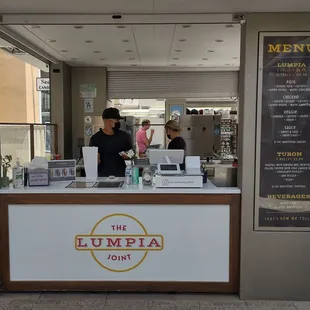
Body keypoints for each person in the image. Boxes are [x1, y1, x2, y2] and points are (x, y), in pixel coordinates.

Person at [89, 107, 132, 177]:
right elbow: (92, 160)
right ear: (109, 121)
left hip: (121, 176)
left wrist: (128, 155)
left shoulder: (124, 136)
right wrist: (95, 160)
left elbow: (131, 151)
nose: (119, 122)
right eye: (117, 120)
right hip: (102, 177)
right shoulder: (95, 138)